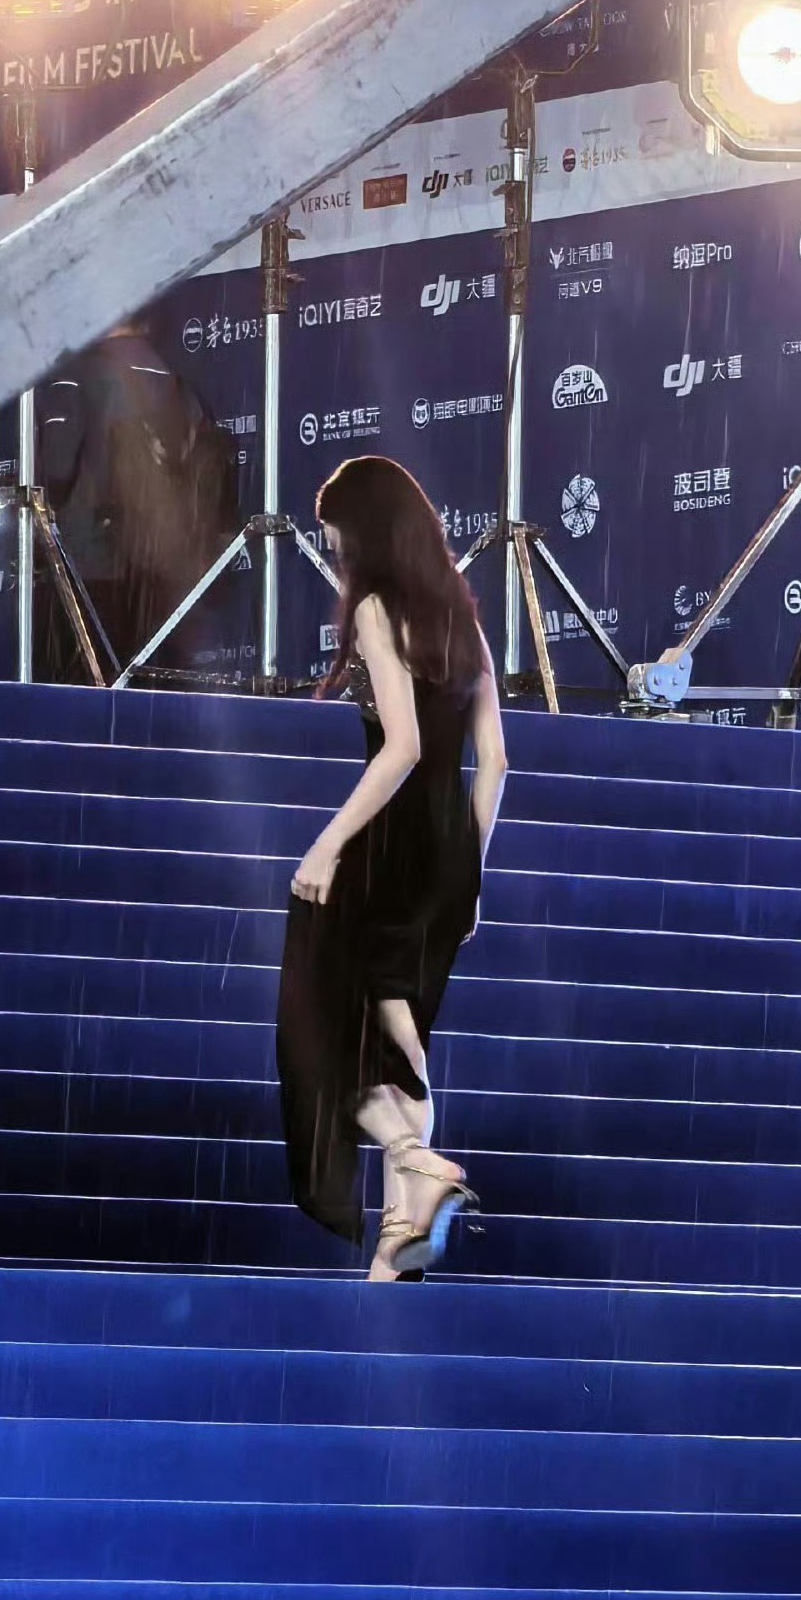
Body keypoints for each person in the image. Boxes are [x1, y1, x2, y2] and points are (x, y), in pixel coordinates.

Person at [276, 456, 508, 1283]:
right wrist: (471, 872)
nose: (334, 549)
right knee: (400, 1040)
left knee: (324, 1028)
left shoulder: (378, 610)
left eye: (336, 532)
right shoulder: (465, 622)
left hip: (391, 850)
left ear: (367, 529)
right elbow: (496, 762)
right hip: (451, 853)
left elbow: (402, 747)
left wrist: (328, 842)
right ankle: (398, 1241)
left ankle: (415, 1159)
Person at [36, 311, 239, 679]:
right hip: (167, 577)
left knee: (84, 691)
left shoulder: (76, 377)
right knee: (152, 693)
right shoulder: (180, 385)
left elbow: (57, 471)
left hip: (90, 570)